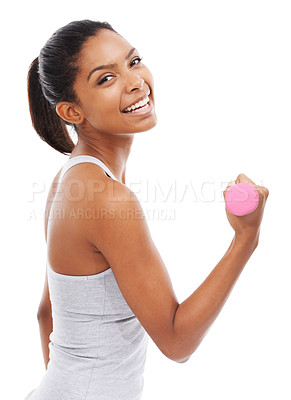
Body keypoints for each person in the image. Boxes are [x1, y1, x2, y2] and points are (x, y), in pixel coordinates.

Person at [24, 19, 269, 400]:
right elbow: (177, 342)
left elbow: (47, 314)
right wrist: (245, 239)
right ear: (72, 112)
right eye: (106, 79)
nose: (135, 81)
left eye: (134, 61)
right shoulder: (107, 198)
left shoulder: (67, 182)